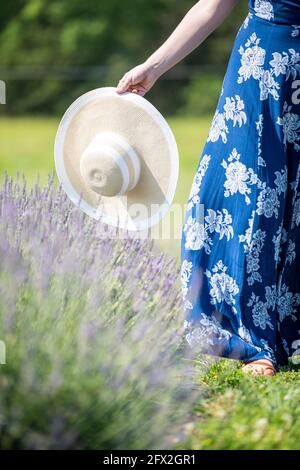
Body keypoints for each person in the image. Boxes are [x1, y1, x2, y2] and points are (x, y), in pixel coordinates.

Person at [116, 0, 300, 377]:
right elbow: (212, 6)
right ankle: (252, 340)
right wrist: (153, 67)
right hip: (261, 66)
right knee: (248, 195)